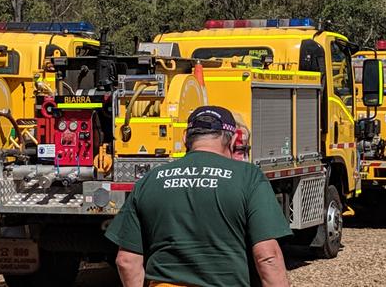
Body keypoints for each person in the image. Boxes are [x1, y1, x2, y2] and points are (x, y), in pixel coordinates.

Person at [105, 105, 291, 287]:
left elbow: (126, 261)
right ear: (233, 140)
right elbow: (268, 257)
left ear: (186, 137)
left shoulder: (150, 180)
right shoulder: (248, 177)